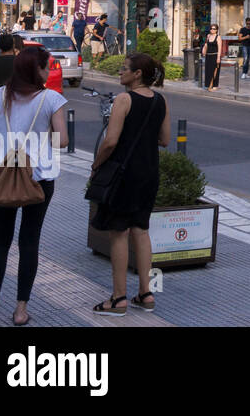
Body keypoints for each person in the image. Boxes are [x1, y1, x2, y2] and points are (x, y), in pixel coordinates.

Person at [0, 46, 67, 327]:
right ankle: (21, 311)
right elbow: (62, 141)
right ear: (37, 70)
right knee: (29, 241)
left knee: (0, 241)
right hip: (40, 177)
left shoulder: (0, 95)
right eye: (47, 66)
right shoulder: (52, 99)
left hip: (4, 173)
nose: (49, 71)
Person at [90, 53, 170, 315]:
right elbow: (165, 139)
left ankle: (118, 298)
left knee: (119, 233)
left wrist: (96, 164)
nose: (120, 73)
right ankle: (146, 294)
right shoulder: (161, 100)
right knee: (141, 230)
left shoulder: (124, 99)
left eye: (124, 69)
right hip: (149, 172)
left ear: (137, 74)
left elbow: (110, 141)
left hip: (124, 173)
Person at [201, 24, 223, 90]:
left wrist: (218, 58)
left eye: (214, 29)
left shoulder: (218, 37)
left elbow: (219, 48)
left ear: (216, 30)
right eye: (211, 28)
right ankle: (208, 85)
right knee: (208, 71)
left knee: (215, 70)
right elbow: (206, 45)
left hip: (215, 55)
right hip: (208, 56)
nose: (212, 30)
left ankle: (215, 85)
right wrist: (203, 51)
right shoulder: (208, 36)